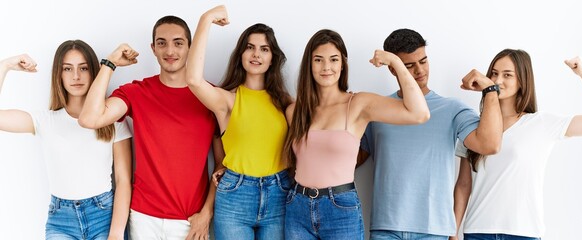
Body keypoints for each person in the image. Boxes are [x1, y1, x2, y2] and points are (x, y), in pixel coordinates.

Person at [78, 16, 223, 240]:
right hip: (143, 218)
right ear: (153, 48)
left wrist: (206, 214)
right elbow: (89, 119)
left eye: (178, 42)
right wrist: (110, 64)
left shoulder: (209, 96)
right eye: (162, 43)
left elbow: (222, 164)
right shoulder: (137, 92)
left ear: (190, 48)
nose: (170, 50)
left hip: (190, 221)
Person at [283, 29, 430, 240]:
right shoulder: (294, 111)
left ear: (342, 64)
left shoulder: (358, 104)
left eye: (333, 59)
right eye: (318, 60)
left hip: (340, 208)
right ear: (309, 64)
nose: (326, 67)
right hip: (297, 206)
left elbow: (419, 113)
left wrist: (396, 62)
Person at [358, 28, 504, 240]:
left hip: (433, 230)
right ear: (393, 69)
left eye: (423, 61)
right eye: (409, 66)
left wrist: (490, 90)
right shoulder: (379, 110)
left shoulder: (451, 109)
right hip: (386, 228)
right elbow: (349, 162)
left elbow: (490, 144)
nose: (419, 70)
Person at [456, 49, 582, 240]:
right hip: (478, 231)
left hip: (523, 233)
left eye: (507, 75)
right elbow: (463, 185)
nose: (497, 81)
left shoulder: (542, 123)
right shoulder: (473, 128)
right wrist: (453, 231)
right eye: (494, 74)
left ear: (522, 80)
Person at [0, 40, 132, 240]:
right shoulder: (45, 121)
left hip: (104, 217)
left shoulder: (112, 119)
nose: (76, 76)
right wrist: (5, 65)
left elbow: (123, 181)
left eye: (84, 68)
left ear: (93, 72)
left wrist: (115, 233)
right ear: (58, 75)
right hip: (61, 221)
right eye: (67, 69)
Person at [185, 5, 293, 240]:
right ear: (241, 54)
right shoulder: (228, 100)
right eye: (250, 47)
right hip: (235, 196)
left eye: (264, 49)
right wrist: (206, 19)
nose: (256, 54)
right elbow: (192, 79)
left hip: (279, 194)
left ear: (273, 58)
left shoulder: (285, 103)